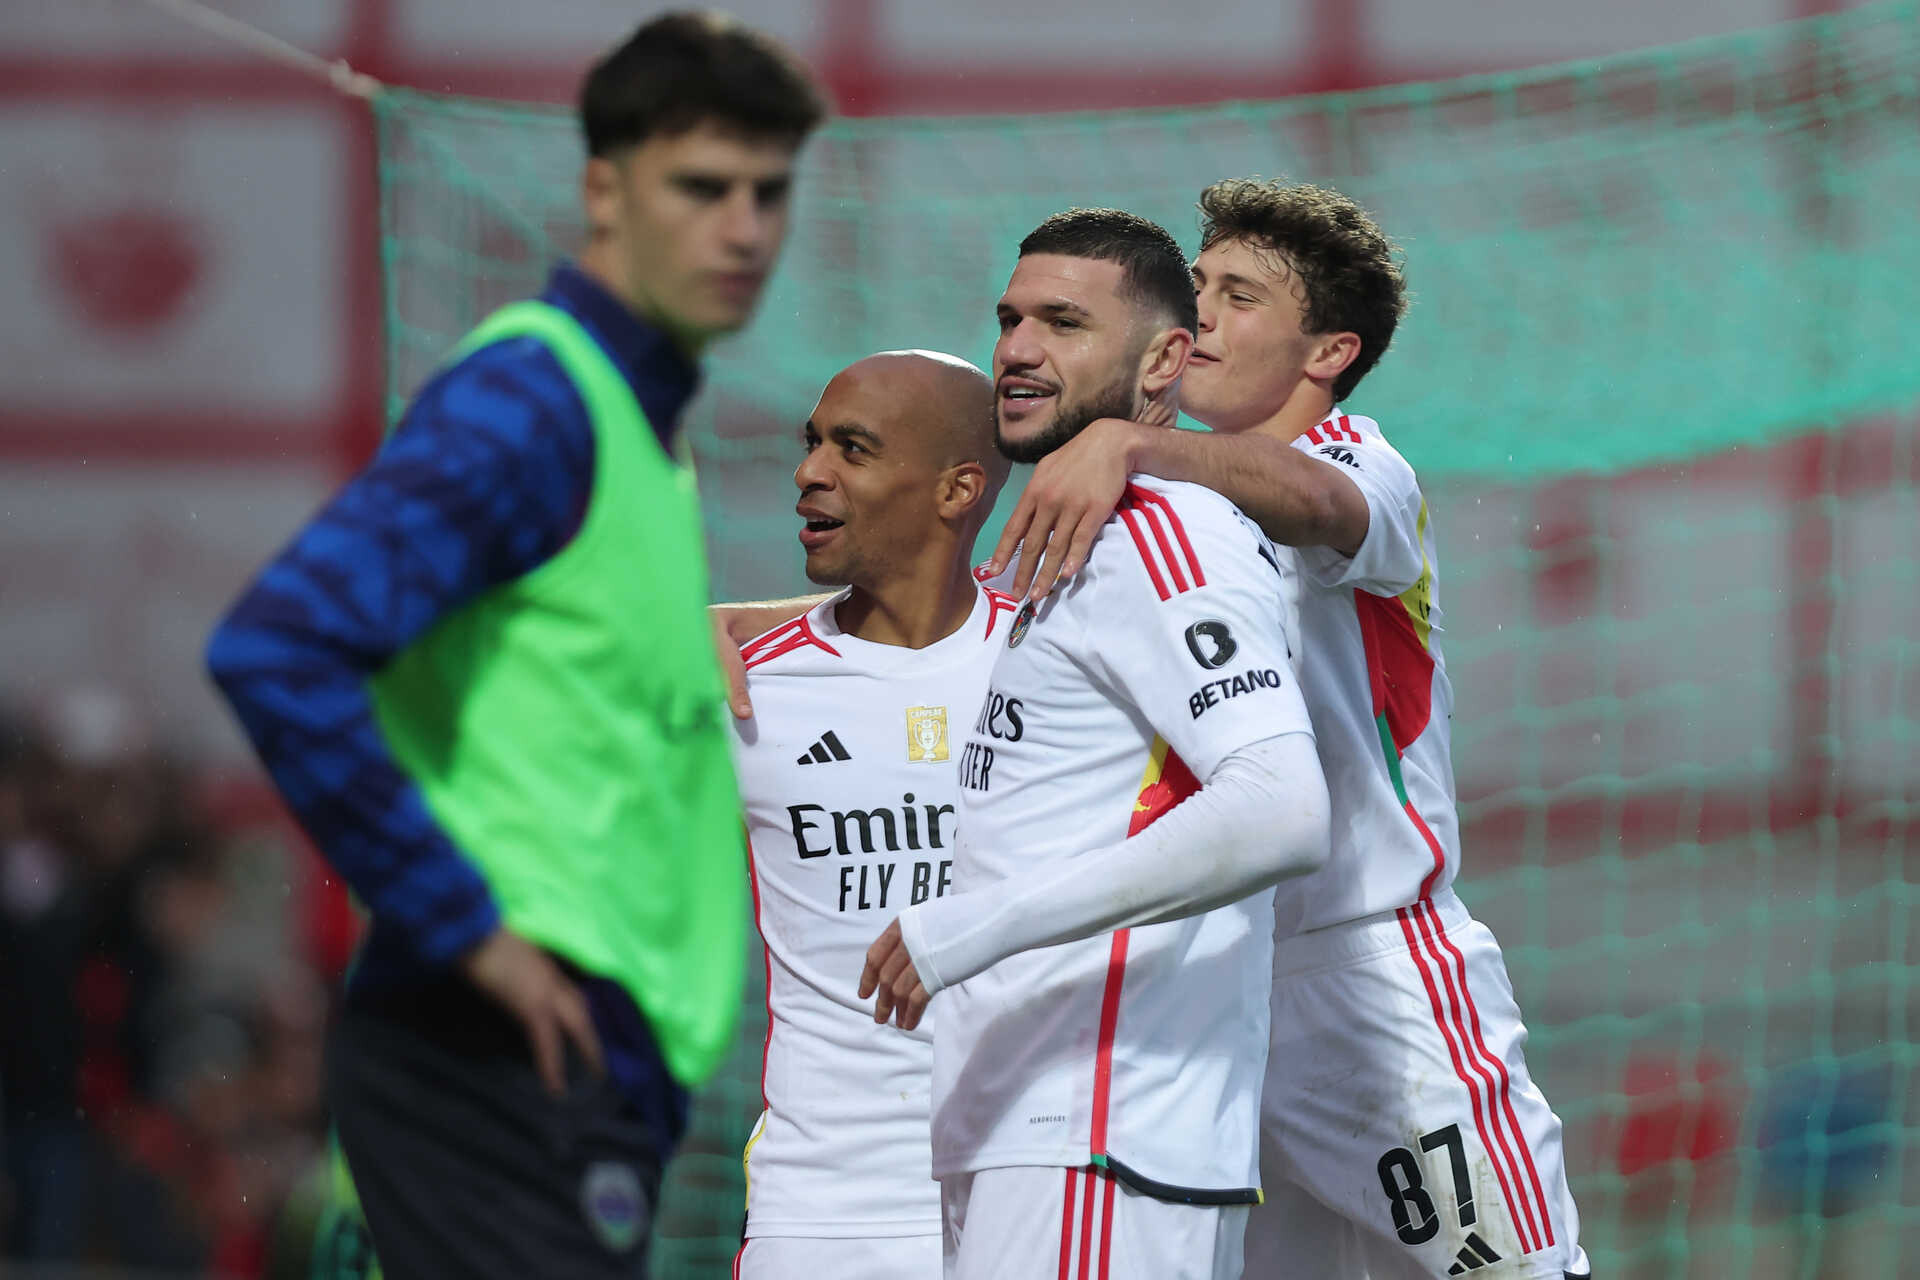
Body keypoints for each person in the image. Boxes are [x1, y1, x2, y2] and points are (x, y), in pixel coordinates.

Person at [204, 14, 825, 1278]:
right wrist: (468, 929)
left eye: (769, 191)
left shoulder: (639, 421)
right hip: (493, 1043)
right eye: (703, 187)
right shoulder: (536, 400)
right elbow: (280, 648)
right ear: (604, 187)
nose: (746, 228)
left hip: (573, 1056)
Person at [984, 180, 1591, 1279]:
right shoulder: (1152, 505)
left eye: (1241, 295)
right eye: (1198, 286)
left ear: (1328, 351)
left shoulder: (1364, 466)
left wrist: (1126, 439)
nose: (1201, 312)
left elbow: (1309, 501)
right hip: (1211, 992)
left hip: (1374, 980)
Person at [859, 209, 1333, 1280]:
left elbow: (1281, 803)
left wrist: (971, 927)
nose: (1018, 349)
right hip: (1037, 1131)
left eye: (1064, 323)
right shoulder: (1073, 541)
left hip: (1100, 1133)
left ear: (1166, 357)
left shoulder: (1162, 530)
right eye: (1010, 318)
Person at [730, 350, 1011, 1279]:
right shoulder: (739, 690)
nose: (810, 472)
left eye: (853, 448)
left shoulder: (1060, 658)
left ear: (956, 489)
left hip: (1032, 1193)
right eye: (812, 444)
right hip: (821, 1214)